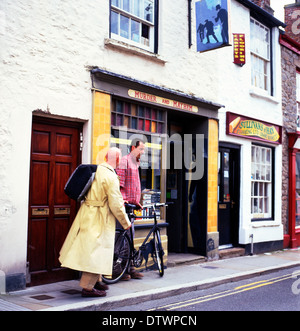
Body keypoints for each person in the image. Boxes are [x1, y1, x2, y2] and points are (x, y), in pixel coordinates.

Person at [59, 147, 131, 297]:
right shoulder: (111, 177)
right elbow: (116, 203)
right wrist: (126, 222)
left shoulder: (97, 170)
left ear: (105, 157)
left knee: (93, 249)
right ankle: (88, 288)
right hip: (100, 217)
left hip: (87, 213)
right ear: (117, 160)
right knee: (96, 252)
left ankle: (97, 281)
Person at [116, 138, 145, 280]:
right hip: (123, 207)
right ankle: (118, 270)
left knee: (131, 238)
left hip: (132, 207)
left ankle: (130, 268)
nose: (143, 152)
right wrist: (123, 199)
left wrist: (136, 201)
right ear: (133, 147)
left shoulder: (136, 163)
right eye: (141, 149)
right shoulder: (124, 161)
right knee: (121, 239)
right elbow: (118, 183)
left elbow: (133, 186)